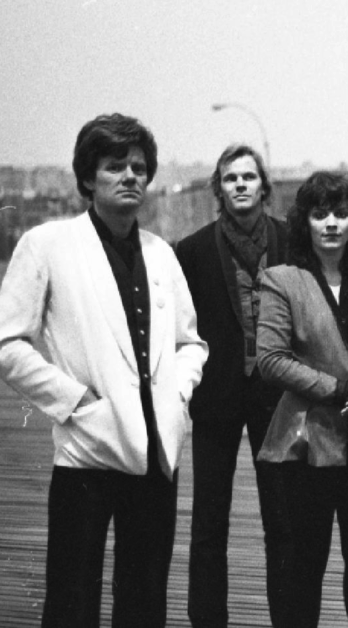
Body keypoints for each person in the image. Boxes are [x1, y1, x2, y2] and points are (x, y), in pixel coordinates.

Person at [0, 113, 208, 627]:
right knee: (72, 599)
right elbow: (7, 342)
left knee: (144, 600)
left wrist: (177, 397)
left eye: (139, 167)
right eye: (116, 166)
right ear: (89, 178)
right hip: (87, 453)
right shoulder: (48, 244)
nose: (132, 176)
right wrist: (75, 402)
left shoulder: (161, 254)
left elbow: (191, 342)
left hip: (156, 454)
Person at [255, 172, 348, 627]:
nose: (331, 223)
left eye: (340, 213)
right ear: (305, 223)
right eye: (320, 215)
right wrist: (338, 389)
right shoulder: (281, 280)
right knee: (304, 569)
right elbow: (271, 360)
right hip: (305, 449)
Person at [175, 144, 291, 627]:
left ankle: (290, 617)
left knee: (282, 522)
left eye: (248, 177)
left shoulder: (291, 242)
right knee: (208, 525)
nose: (239, 185)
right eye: (229, 178)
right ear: (219, 189)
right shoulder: (194, 250)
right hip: (216, 396)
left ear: (264, 186)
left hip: (276, 396)